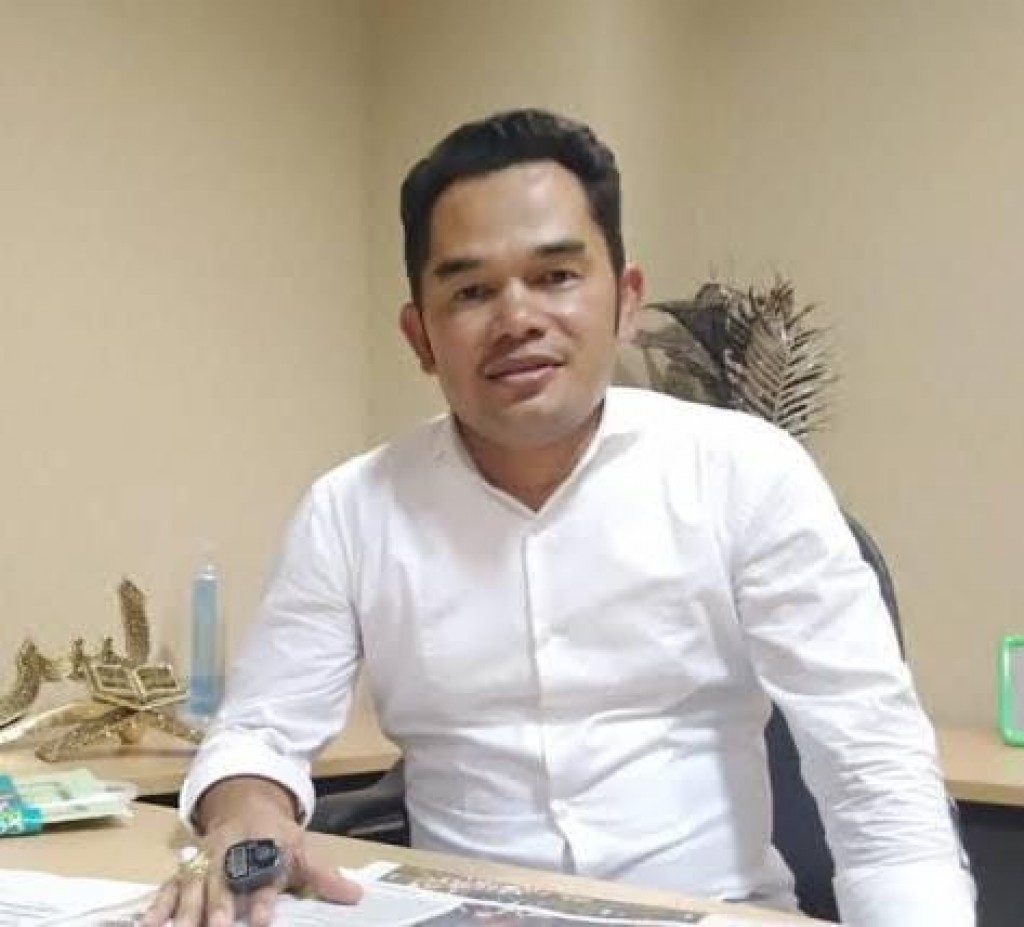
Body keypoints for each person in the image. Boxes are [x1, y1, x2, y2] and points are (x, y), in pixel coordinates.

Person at [142, 109, 975, 927]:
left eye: (556, 277)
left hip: (711, 911)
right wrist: (246, 813)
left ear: (626, 301)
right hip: (464, 914)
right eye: (471, 290)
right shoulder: (351, 509)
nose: (517, 319)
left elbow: (871, 762)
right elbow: (259, 731)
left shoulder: (746, 471)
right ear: (421, 335)